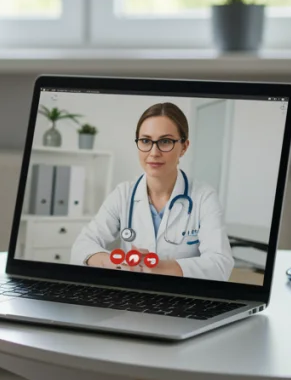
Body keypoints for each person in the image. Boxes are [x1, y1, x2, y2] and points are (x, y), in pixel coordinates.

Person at [69, 103, 233, 281]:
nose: (154, 153)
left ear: (184, 147)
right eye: (146, 141)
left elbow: (220, 264)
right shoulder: (123, 194)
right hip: (132, 293)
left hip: (181, 297)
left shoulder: (203, 197)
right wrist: (118, 264)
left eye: (165, 141)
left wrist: (155, 266)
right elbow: (82, 246)